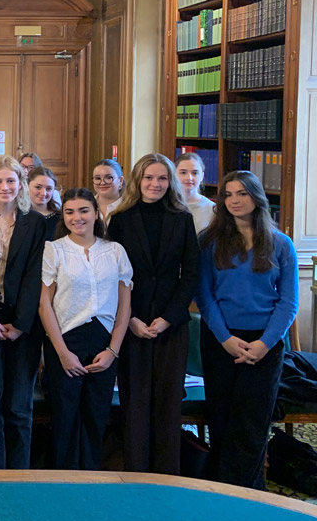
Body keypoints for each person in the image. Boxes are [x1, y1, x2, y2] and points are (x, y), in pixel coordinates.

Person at [198, 170, 298, 489]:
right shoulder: (208, 241)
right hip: (221, 340)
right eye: (228, 194)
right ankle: (219, 489)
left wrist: (265, 344)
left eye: (242, 193)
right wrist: (225, 339)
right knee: (222, 419)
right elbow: (204, 296)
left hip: (264, 345)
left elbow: (289, 302)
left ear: (256, 198)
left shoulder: (281, 244)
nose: (234, 200)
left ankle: (247, 494)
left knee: (252, 425)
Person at [107, 154, 199, 475]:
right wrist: (130, 318)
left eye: (162, 178)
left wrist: (168, 317)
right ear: (138, 181)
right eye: (149, 178)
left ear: (170, 182)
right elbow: (113, 276)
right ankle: (136, 476)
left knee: (168, 405)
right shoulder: (121, 219)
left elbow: (191, 274)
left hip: (171, 325)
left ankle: (167, 478)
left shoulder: (182, 219)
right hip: (131, 323)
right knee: (135, 404)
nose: (155, 184)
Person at [39, 188, 132, 470]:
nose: (76, 217)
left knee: (96, 417)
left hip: (104, 340)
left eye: (83, 211)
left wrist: (113, 351)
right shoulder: (54, 249)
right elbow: (44, 304)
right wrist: (62, 353)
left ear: (96, 214)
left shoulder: (115, 251)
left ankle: (92, 480)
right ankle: (63, 482)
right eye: (69, 212)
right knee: (64, 419)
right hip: (65, 340)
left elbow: (124, 306)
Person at [0, 156, 47, 470]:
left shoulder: (36, 222)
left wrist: (20, 323)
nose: (4, 187)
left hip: (24, 326)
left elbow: (36, 275)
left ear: (20, 184)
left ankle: (19, 474)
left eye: (10, 181)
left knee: (19, 406)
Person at [176, 152, 215, 234]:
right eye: (183, 172)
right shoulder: (166, 205)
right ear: (174, 174)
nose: (189, 178)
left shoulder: (213, 210)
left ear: (202, 176)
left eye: (195, 173)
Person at [27, 167, 61, 241]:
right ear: (27, 186)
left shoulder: (60, 218)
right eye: (38, 187)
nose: (43, 193)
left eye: (49, 189)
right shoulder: (18, 215)